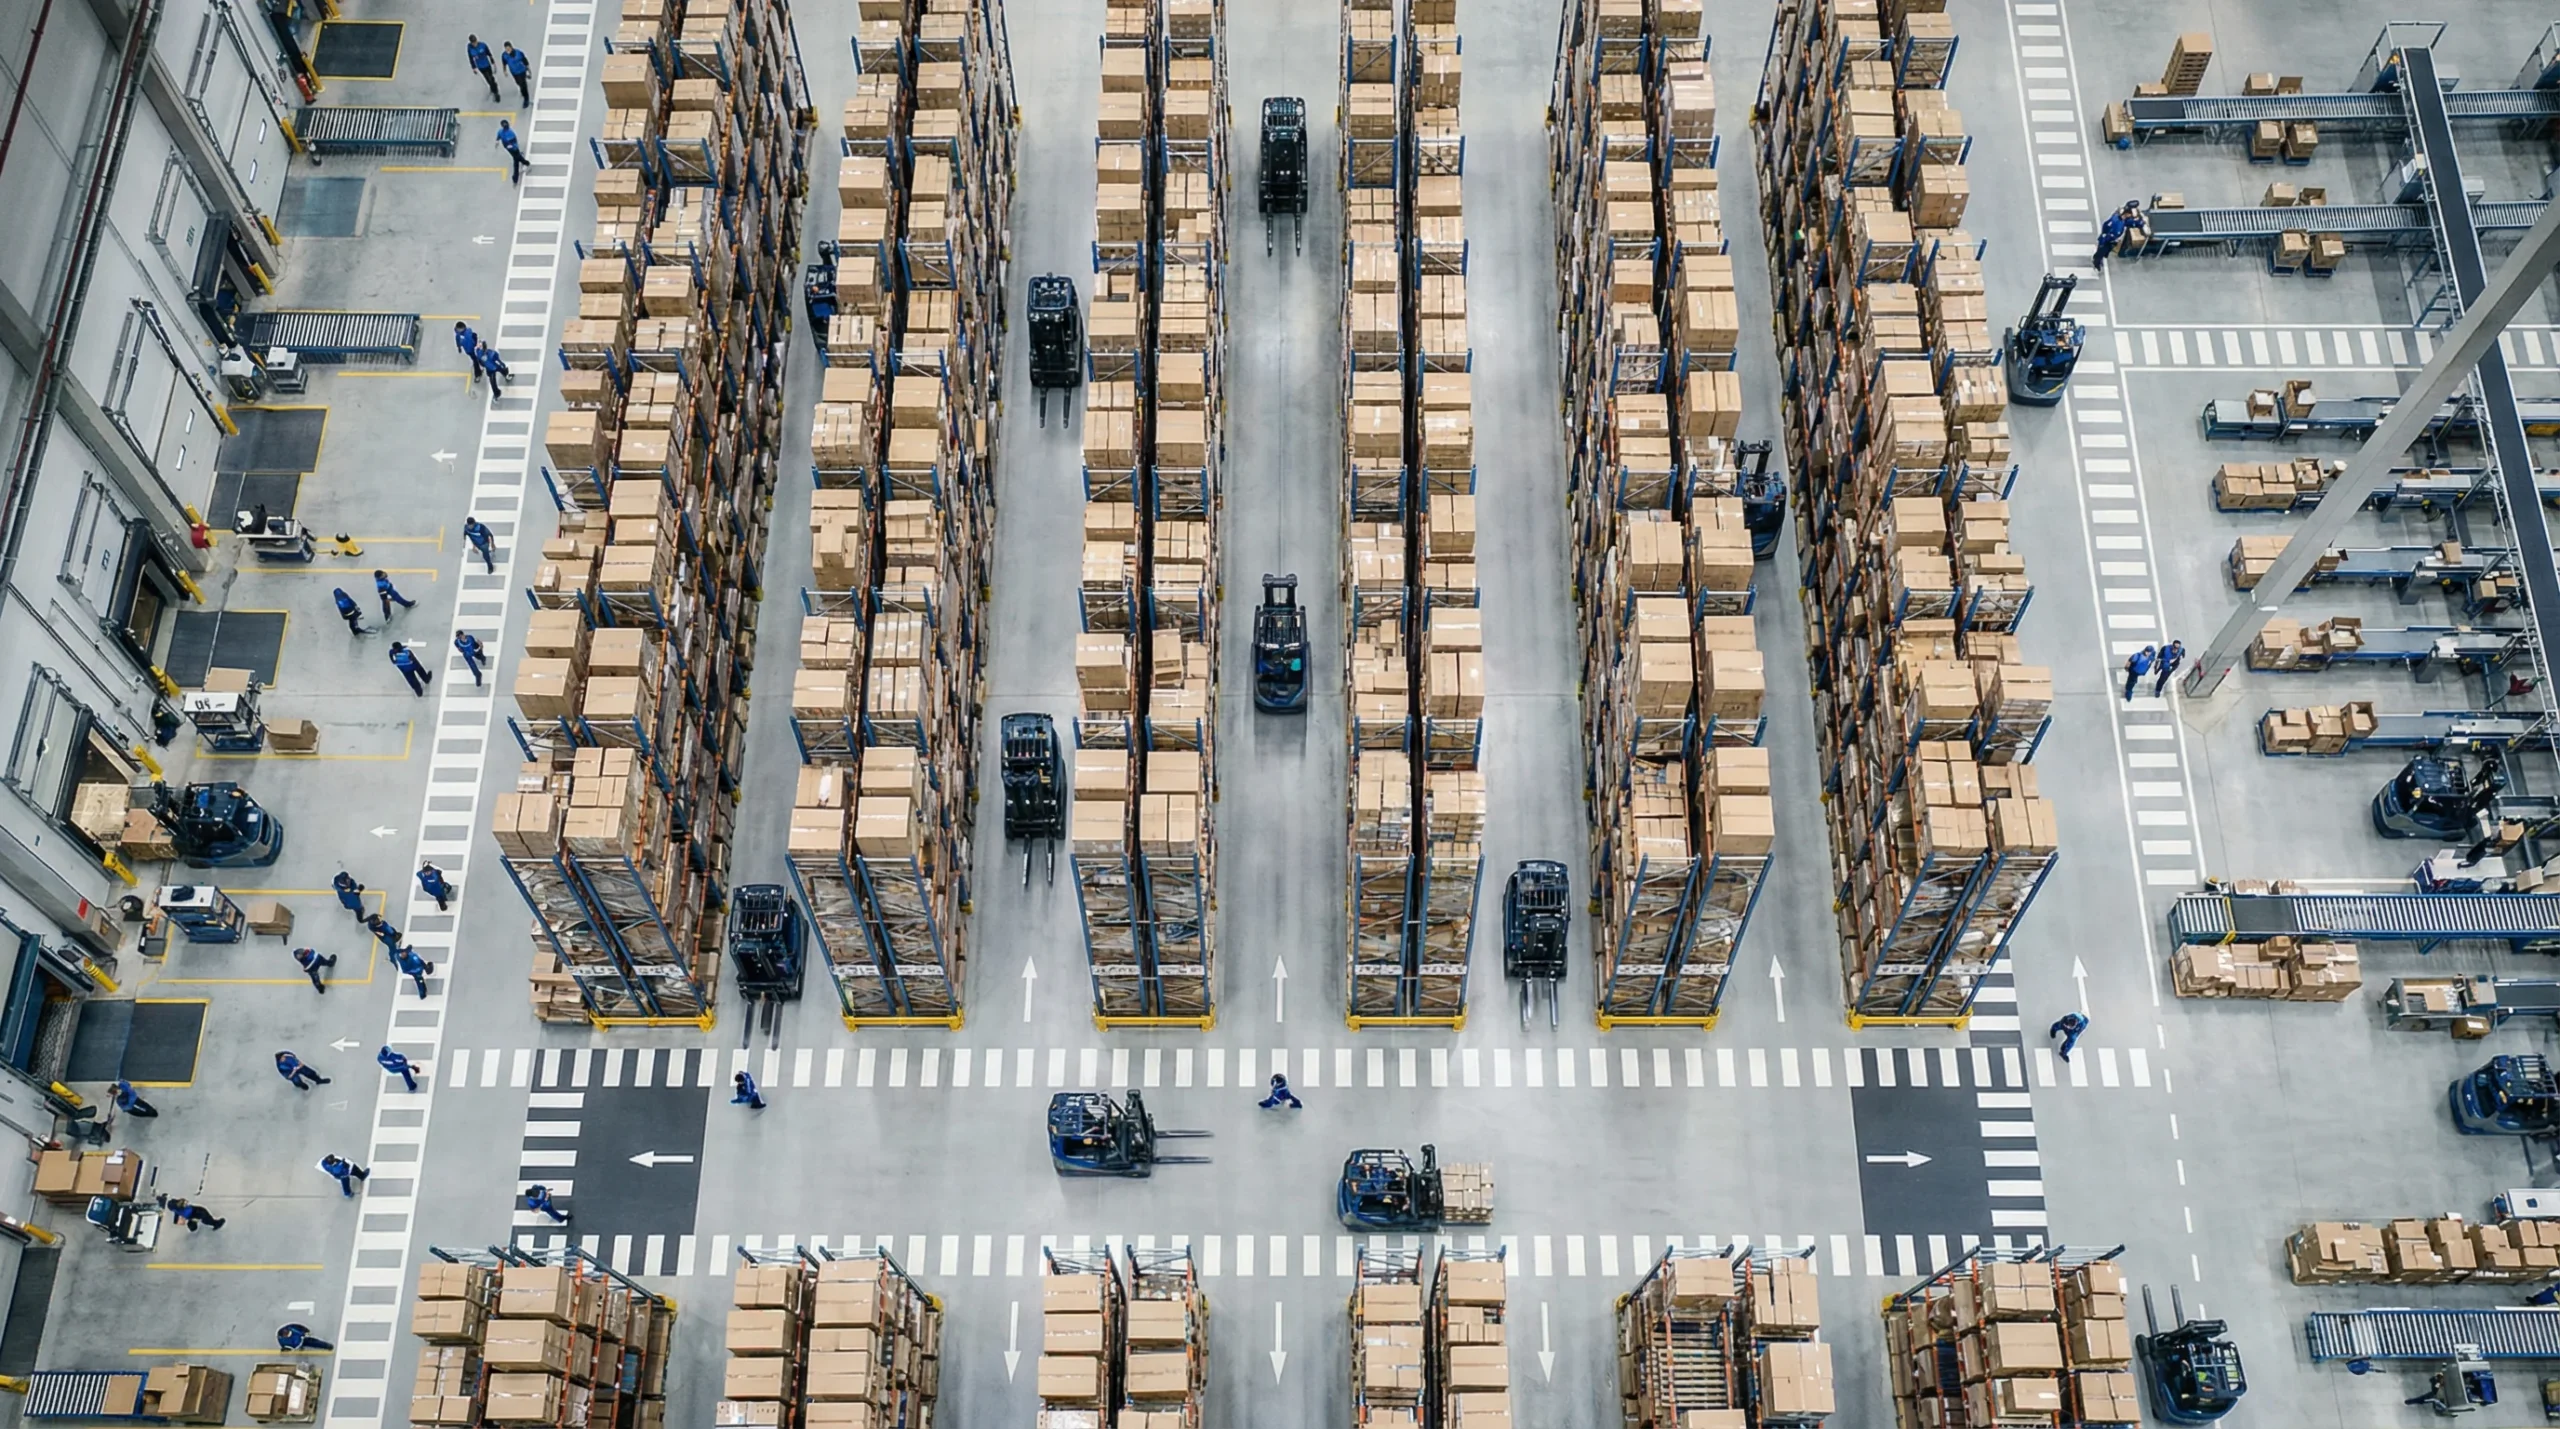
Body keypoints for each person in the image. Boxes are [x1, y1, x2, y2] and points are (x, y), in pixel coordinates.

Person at [464, 34, 499, 102]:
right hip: (480, 66)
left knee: (491, 78)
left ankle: (496, 92)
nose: (475, 44)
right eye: (473, 43)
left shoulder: (483, 45)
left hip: (487, 65)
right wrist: (473, 67)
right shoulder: (469, 48)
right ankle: (492, 87)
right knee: (487, 78)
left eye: (475, 42)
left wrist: (492, 61)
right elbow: (470, 57)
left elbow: (489, 53)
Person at [497, 120, 528, 185]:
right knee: (517, 159)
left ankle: (515, 178)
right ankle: (526, 163)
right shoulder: (510, 133)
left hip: (512, 149)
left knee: (516, 163)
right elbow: (514, 142)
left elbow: (499, 136)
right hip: (512, 149)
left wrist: (497, 141)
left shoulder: (504, 132)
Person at [454, 322, 483, 388]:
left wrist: (476, 345)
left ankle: (478, 372)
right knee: (475, 360)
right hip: (469, 351)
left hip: (474, 349)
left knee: (476, 360)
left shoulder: (468, 331)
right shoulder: (458, 336)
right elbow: (458, 342)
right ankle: (478, 373)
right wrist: (459, 347)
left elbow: (473, 337)